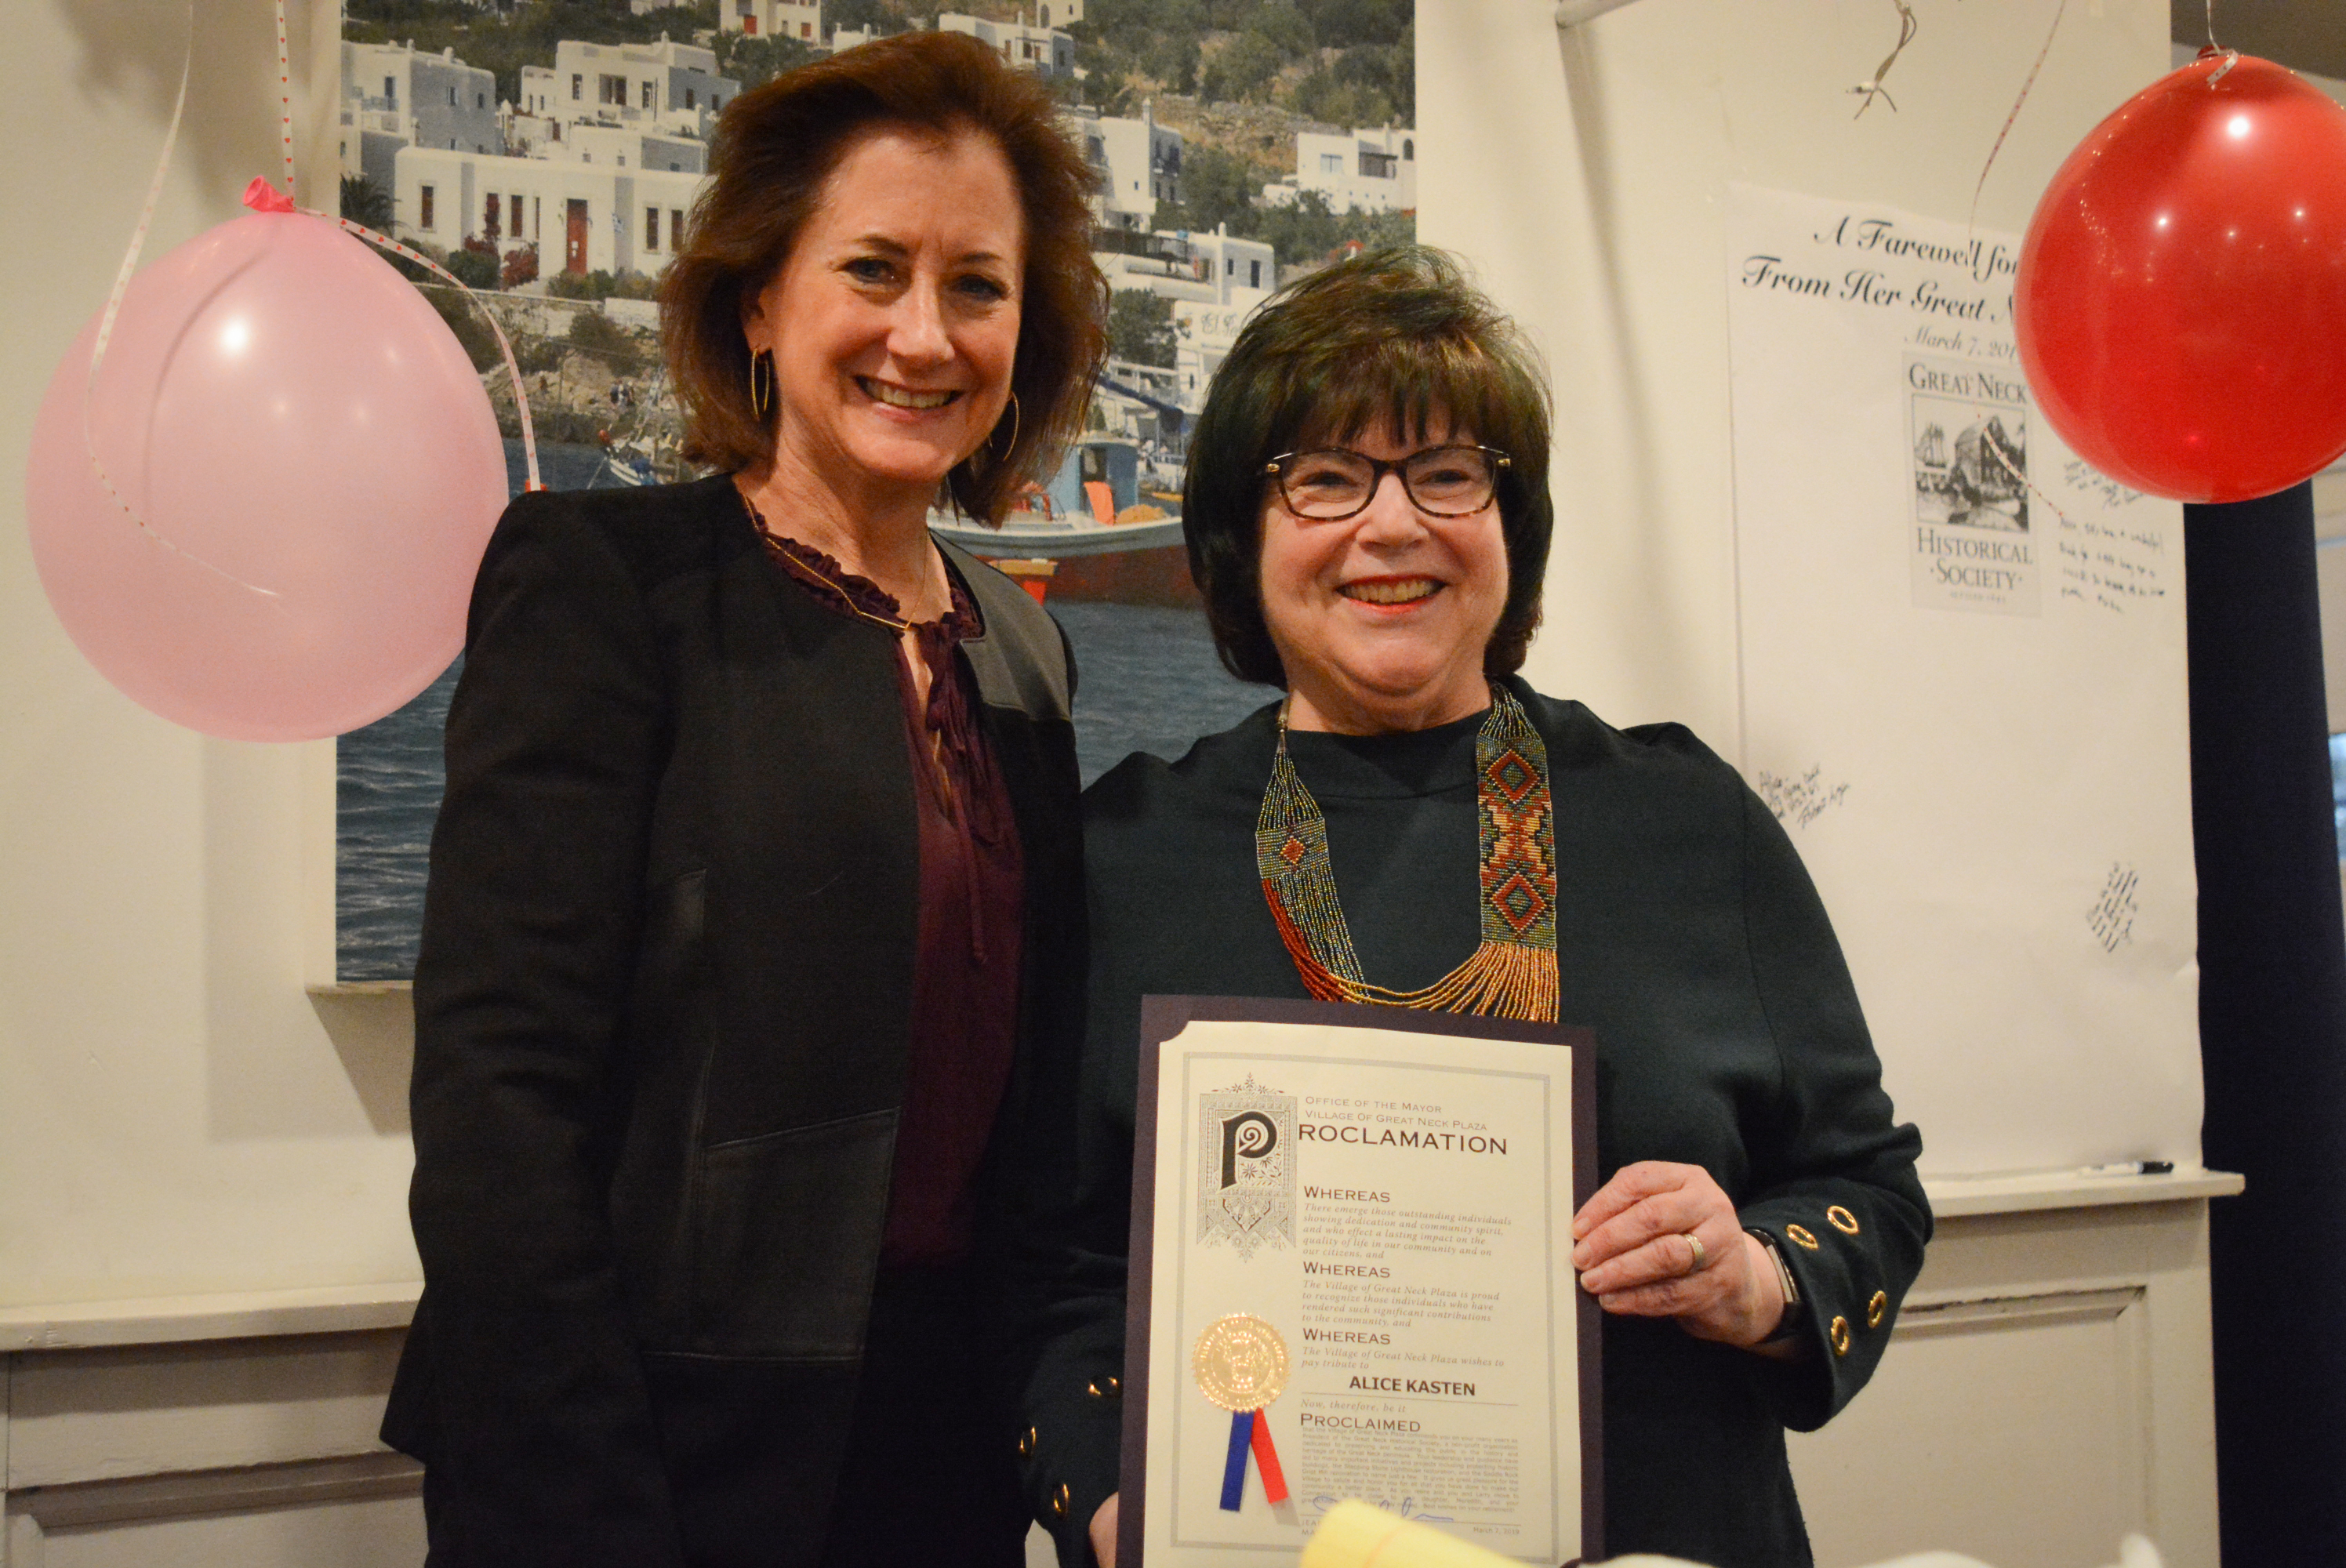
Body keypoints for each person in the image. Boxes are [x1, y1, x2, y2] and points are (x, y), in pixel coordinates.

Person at [1009, 247, 1929, 1568]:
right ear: (1239, 536)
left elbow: (1868, 1190)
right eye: (1326, 477)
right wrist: (1116, 1509)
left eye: (1448, 473)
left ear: (1513, 526)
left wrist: (1755, 1275)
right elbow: (1051, 1281)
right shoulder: (1124, 855)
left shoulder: (1686, 821)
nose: (1393, 526)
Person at [381, 33, 1106, 1567]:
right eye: (874, 269)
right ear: (762, 300)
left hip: (943, 1465)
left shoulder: (1025, 648)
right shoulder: (605, 586)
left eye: (978, 286)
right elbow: (499, 1100)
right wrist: (585, 1504)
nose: (924, 333)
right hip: (639, 1460)